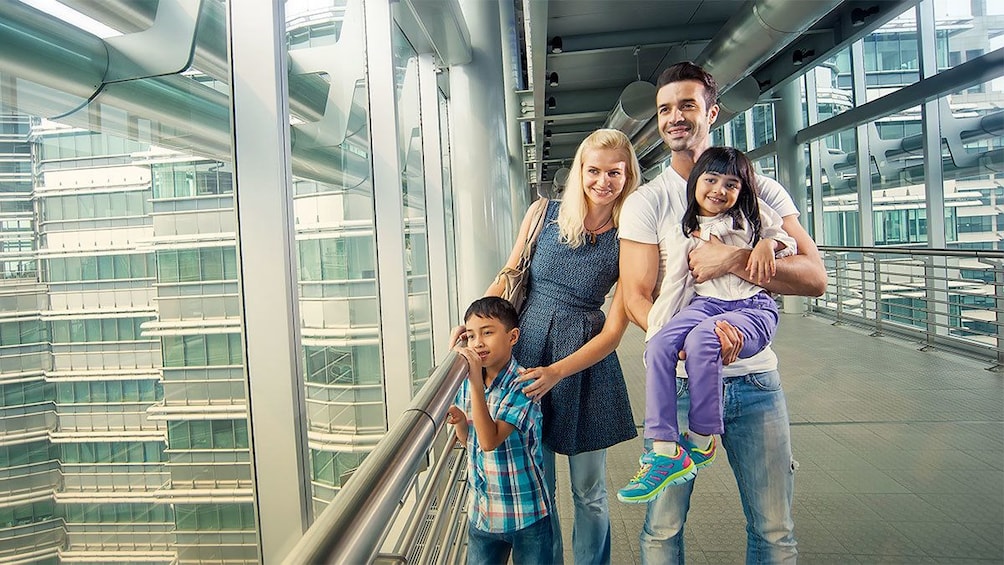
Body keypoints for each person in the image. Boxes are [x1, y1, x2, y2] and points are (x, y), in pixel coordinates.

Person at [618, 61, 827, 564]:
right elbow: (636, 297)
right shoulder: (648, 201)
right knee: (662, 530)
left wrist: (735, 260)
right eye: (665, 108)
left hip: (756, 385)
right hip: (686, 383)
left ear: (712, 112)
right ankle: (667, 451)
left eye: (687, 105)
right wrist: (697, 344)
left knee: (775, 531)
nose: (674, 117)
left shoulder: (761, 189)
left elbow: (814, 278)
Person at [486, 128, 640, 564]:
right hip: (529, 349)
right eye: (594, 170)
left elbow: (613, 332)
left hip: (585, 363)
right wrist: (475, 327)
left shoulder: (630, 234)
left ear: (627, 175)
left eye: (614, 172)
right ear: (580, 171)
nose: (603, 181)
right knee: (541, 488)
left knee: (589, 492)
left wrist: (558, 371)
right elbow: (509, 274)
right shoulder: (544, 213)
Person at [617, 146, 796, 503]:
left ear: (742, 191)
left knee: (702, 339)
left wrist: (763, 247)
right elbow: (675, 286)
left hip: (751, 307)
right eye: (711, 180)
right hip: (706, 304)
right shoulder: (685, 230)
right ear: (695, 182)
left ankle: (701, 437)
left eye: (731, 185)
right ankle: (666, 449)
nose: (719, 190)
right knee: (659, 344)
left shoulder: (753, 217)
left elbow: (786, 240)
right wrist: (663, 331)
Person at [446, 296, 551, 565]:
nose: (478, 342)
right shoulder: (468, 382)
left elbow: (489, 440)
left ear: (513, 336)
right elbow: (469, 439)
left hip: (525, 513)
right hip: (482, 512)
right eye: (470, 336)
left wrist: (473, 381)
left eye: (488, 332)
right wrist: (459, 420)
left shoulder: (524, 385)